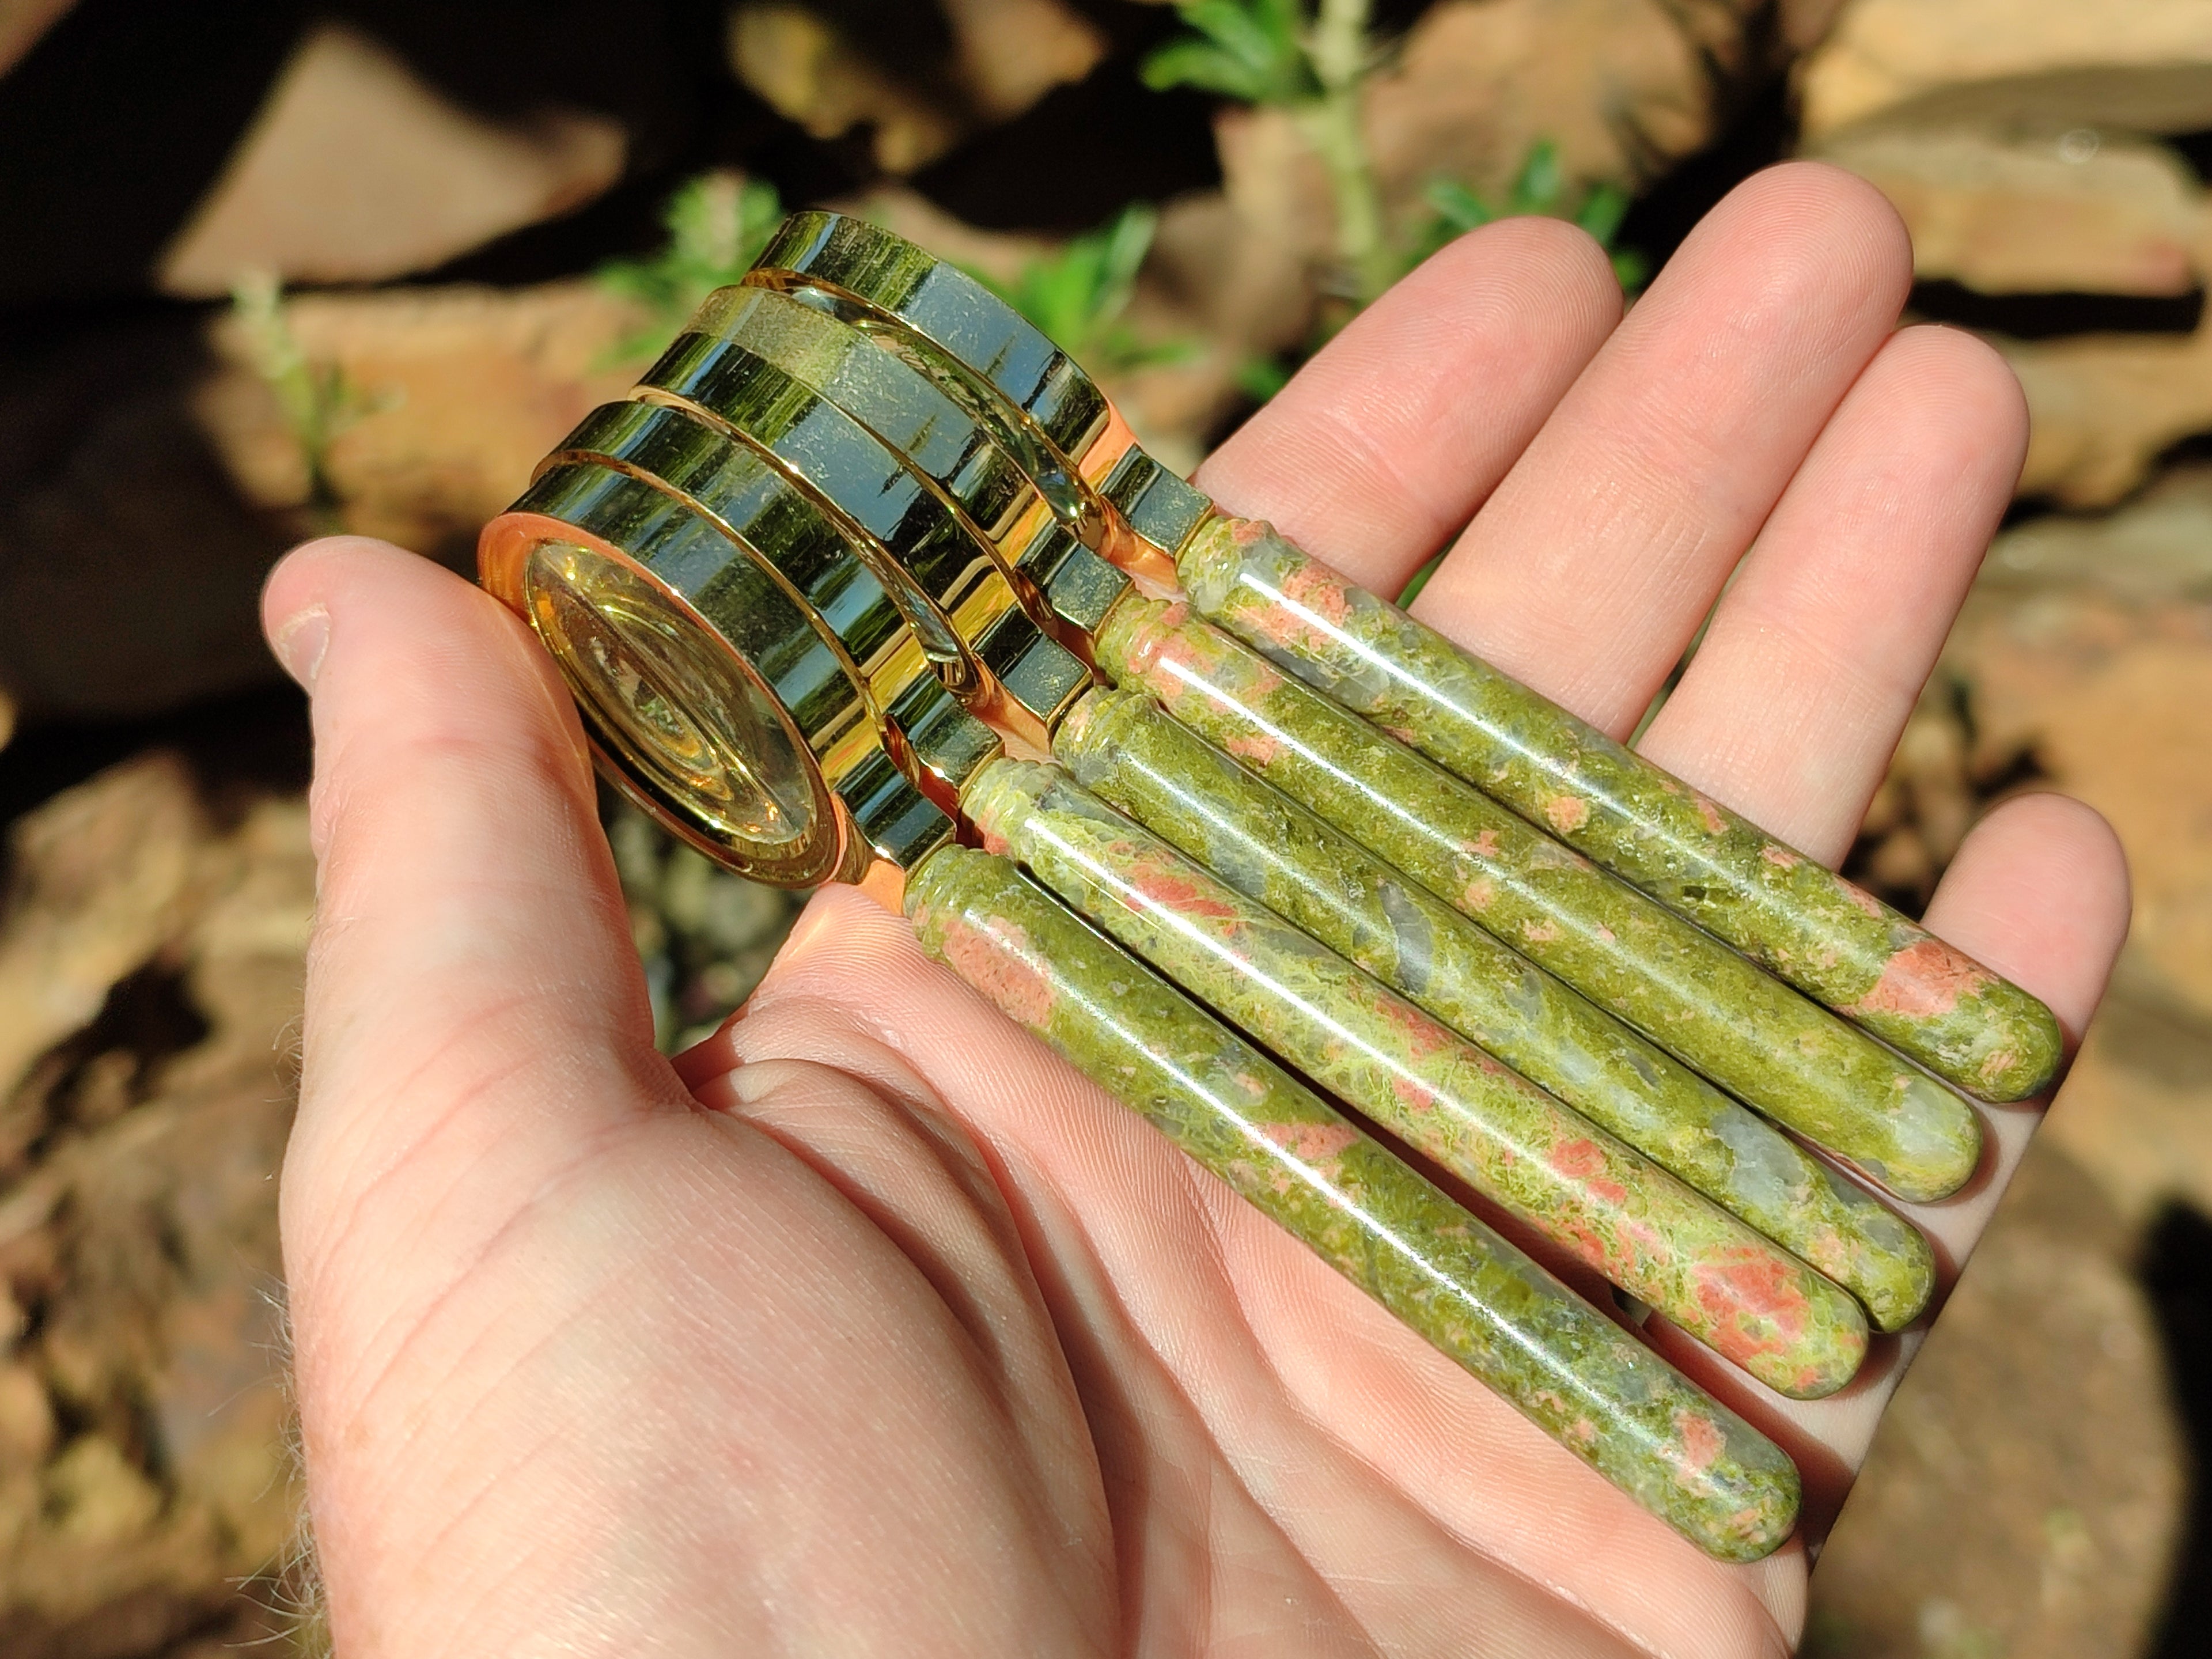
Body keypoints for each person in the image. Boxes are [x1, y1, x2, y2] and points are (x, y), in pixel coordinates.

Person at [257, 163, 2129, 1656]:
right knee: (1855, 1217)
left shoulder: (1104, 631)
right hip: (1039, 763)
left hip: (1103, 681)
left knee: (1866, 1205)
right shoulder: (987, 794)